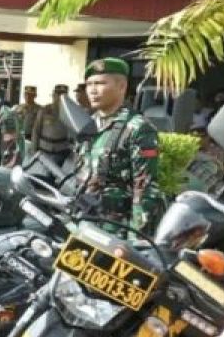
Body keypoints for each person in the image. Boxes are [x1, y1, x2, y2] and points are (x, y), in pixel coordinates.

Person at [73, 58, 163, 234]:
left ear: (122, 86)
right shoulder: (88, 126)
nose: (92, 90)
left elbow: (144, 189)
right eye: (89, 84)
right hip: (85, 222)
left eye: (100, 83)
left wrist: (137, 239)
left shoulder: (138, 128)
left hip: (116, 231)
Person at [30, 84, 73, 162]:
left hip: (62, 152)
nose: (60, 97)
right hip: (44, 151)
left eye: (63, 95)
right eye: (58, 94)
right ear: (53, 95)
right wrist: (34, 150)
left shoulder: (70, 112)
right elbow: (36, 131)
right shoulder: (45, 110)